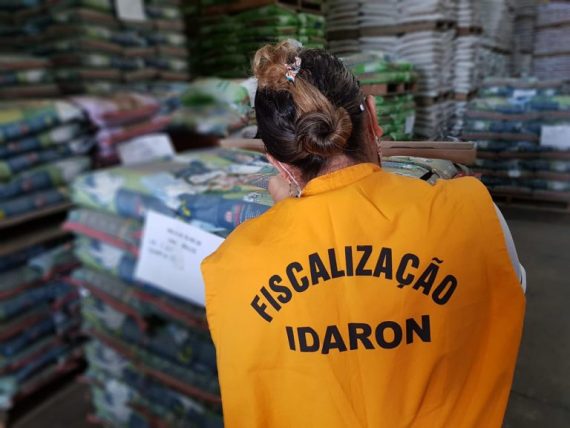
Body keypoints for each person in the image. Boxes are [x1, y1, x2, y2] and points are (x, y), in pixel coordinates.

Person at [201, 41, 526, 428]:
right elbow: (507, 292)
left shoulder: (230, 266)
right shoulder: (473, 213)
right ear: (372, 116)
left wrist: (282, 214)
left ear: (277, 164)